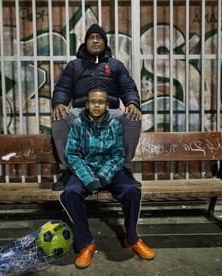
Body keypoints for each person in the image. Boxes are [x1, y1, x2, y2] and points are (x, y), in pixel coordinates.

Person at [59, 88, 155, 269]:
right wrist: (88, 178)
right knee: (70, 193)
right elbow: (72, 156)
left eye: (100, 102)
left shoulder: (114, 125)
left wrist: (103, 176)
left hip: (109, 170)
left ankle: (132, 238)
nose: (96, 105)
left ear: (107, 105)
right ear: (87, 104)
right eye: (93, 101)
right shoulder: (78, 124)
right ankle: (86, 243)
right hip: (85, 170)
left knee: (131, 190)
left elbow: (118, 156)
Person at [51, 24, 141, 191]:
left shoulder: (116, 65)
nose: (95, 40)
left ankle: (125, 168)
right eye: (91, 38)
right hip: (81, 111)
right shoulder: (74, 65)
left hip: (110, 112)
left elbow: (128, 87)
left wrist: (132, 103)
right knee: (60, 116)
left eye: (99, 37)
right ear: (85, 43)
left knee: (132, 117)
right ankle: (68, 171)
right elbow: (62, 87)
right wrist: (59, 103)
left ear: (105, 43)